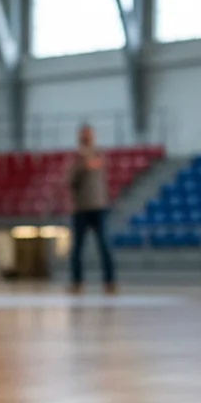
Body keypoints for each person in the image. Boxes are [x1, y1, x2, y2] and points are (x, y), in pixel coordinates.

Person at [67, 124, 116, 294]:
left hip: (99, 207)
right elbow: (71, 181)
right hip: (80, 209)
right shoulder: (76, 159)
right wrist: (81, 164)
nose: (86, 138)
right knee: (77, 248)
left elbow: (97, 168)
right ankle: (77, 282)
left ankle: (110, 281)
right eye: (83, 135)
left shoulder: (100, 155)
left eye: (89, 135)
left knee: (103, 245)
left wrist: (88, 160)